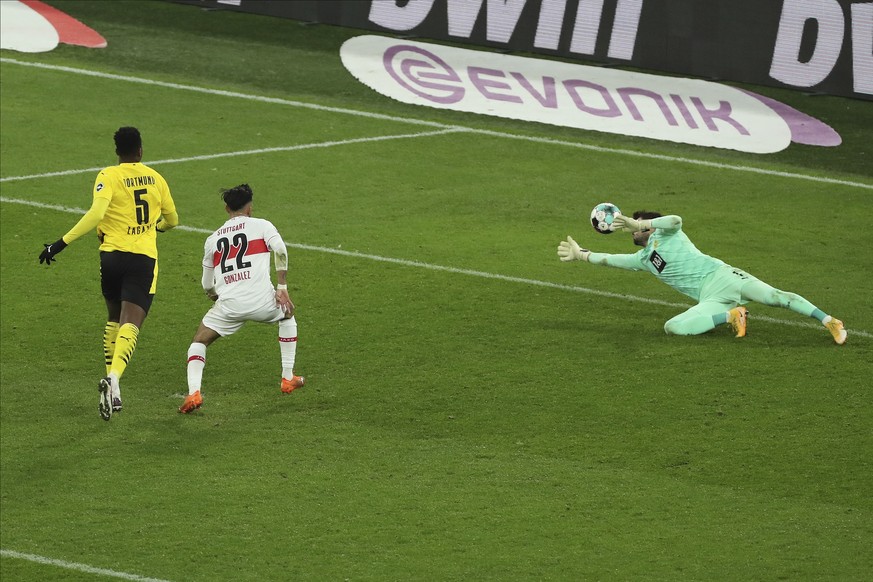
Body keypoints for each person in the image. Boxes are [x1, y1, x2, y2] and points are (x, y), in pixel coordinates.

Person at [38, 126, 179, 420]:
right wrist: (156, 228)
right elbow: (173, 220)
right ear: (140, 150)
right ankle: (114, 378)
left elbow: (96, 214)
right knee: (132, 322)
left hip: (111, 258)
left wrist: (59, 244)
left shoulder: (107, 176)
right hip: (142, 259)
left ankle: (113, 389)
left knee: (113, 318)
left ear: (117, 152)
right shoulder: (156, 178)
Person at [557, 210, 847, 344]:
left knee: (776, 297)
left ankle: (829, 321)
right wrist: (581, 254)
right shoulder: (643, 259)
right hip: (712, 297)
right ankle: (733, 316)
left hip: (724, 276)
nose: (632, 230)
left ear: (648, 227)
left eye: (636, 226)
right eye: (631, 227)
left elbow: (676, 219)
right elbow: (609, 260)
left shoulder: (668, 231)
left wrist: (643, 222)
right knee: (673, 327)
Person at [180, 183, 304, 414]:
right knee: (287, 315)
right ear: (250, 208)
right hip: (264, 303)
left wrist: (214, 295)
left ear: (227, 208)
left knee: (199, 341)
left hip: (229, 306)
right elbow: (281, 250)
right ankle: (288, 377)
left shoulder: (213, 239)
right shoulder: (262, 225)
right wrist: (282, 286)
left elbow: (207, 284)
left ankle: (193, 393)